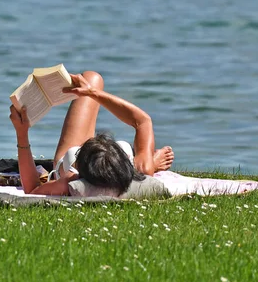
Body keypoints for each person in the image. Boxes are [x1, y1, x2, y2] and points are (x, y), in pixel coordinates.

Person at [9, 71, 174, 195]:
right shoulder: (141, 170)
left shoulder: (70, 181)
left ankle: (152, 161)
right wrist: (92, 93)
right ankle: (153, 161)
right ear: (124, 161)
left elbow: (32, 190)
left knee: (91, 77)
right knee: (93, 79)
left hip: (70, 159)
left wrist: (21, 133)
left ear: (78, 169)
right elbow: (143, 121)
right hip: (114, 165)